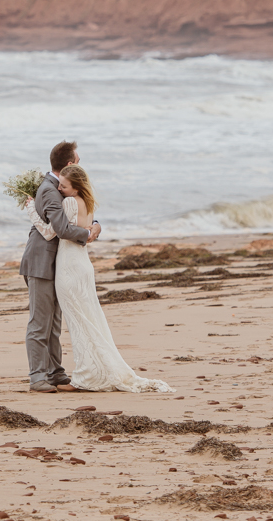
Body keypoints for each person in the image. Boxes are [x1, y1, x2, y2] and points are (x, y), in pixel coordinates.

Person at [52, 165, 172, 393]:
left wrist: (31, 209)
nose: (59, 189)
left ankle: (86, 377)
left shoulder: (69, 202)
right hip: (83, 264)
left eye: (64, 186)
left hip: (68, 265)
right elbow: (88, 227)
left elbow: (56, 231)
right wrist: (94, 228)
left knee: (79, 321)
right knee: (89, 317)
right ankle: (91, 372)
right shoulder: (88, 204)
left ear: (76, 188)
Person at [19, 140, 96, 393]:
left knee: (53, 323)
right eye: (78, 160)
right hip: (41, 263)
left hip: (57, 263)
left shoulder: (59, 187)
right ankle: (37, 376)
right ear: (70, 164)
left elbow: (76, 215)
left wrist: (95, 225)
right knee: (40, 322)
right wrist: (88, 234)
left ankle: (55, 371)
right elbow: (62, 229)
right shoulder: (50, 190)